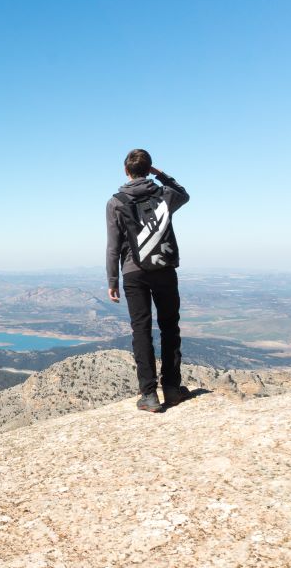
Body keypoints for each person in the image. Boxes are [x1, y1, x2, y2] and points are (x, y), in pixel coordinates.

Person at [106, 149, 191, 412]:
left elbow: (113, 246)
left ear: (125, 171)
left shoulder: (116, 202)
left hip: (134, 272)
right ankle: (173, 389)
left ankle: (149, 395)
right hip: (164, 269)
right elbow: (184, 193)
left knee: (141, 331)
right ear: (150, 168)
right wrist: (160, 174)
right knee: (169, 327)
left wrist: (112, 281)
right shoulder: (164, 195)